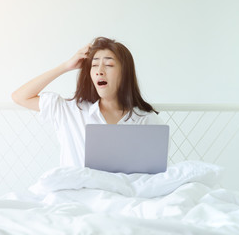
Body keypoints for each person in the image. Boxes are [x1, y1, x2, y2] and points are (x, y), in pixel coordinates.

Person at [12, 37, 164, 167]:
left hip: (125, 199)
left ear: (125, 73)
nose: (99, 71)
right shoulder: (70, 111)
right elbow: (20, 97)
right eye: (94, 65)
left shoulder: (146, 120)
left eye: (109, 65)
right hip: (77, 198)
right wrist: (66, 66)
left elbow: (153, 175)